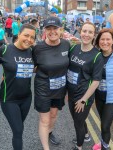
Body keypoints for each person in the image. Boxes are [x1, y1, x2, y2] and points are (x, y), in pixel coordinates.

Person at [0, 24, 36, 150]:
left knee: (20, 127)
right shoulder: (5, 50)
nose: (28, 39)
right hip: (9, 99)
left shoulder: (32, 52)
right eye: (26, 35)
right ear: (19, 34)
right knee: (18, 131)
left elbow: (36, 67)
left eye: (32, 37)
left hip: (26, 98)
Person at [33, 16, 70, 150]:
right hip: (43, 88)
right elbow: (30, 67)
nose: (52, 31)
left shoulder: (66, 44)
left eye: (55, 28)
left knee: (54, 115)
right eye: (49, 28)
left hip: (60, 88)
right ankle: (45, 147)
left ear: (61, 29)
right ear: (45, 30)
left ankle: (49, 133)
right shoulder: (38, 48)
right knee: (45, 119)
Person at [67, 22, 104, 150]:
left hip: (83, 96)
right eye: (84, 31)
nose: (86, 34)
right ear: (80, 31)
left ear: (94, 35)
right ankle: (86, 135)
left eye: (90, 32)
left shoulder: (97, 56)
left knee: (78, 123)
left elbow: (96, 81)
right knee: (79, 120)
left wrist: (83, 100)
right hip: (71, 93)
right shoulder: (74, 48)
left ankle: (79, 146)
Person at [93, 28, 113, 150]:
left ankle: (105, 147)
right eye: (102, 39)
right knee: (102, 123)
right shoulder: (97, 54)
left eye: (108, 39)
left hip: (112, 98)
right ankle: (103, 143)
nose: (105, 42)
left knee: (106, 126)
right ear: (98, 41)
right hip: (99, 96)